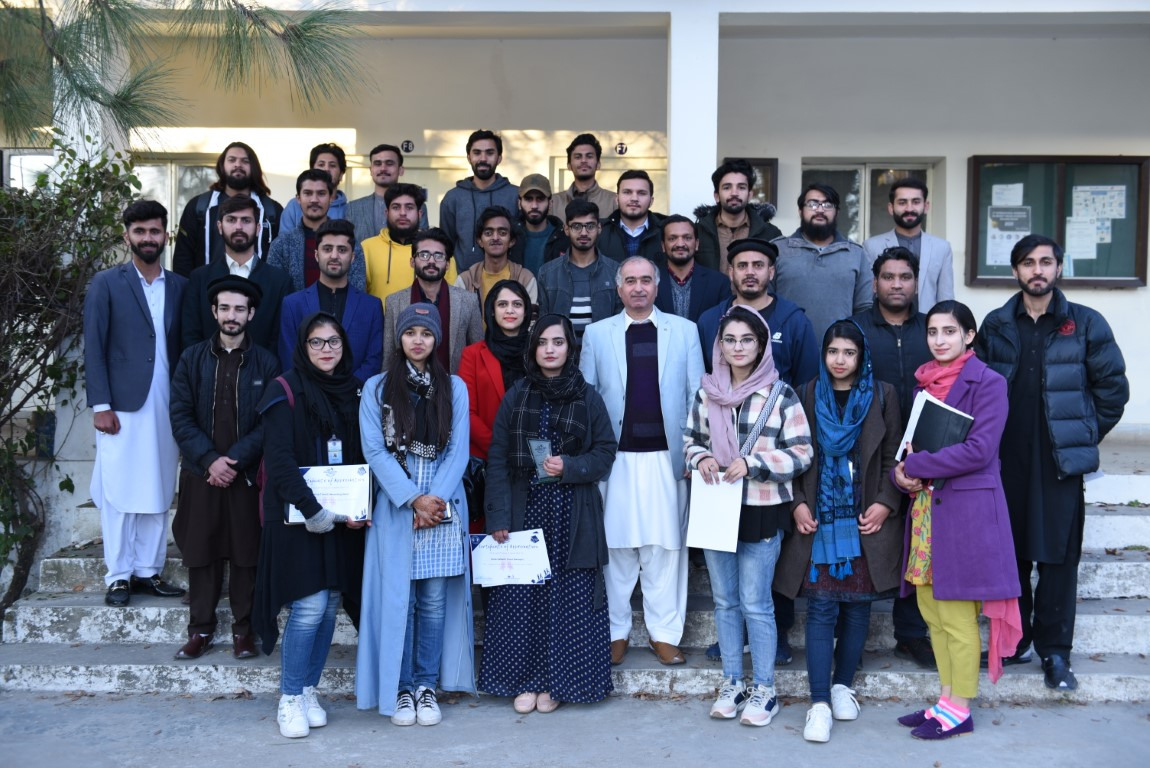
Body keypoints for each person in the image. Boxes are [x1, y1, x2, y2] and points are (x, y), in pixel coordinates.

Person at [976, 234, 1128, 690]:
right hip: (1005, 460)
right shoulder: (997, 324)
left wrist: (1081, 436)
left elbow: (1112, 390)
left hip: (1059, 463)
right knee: (1011, 555)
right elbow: (976, 387)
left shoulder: (1085, 323)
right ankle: (1015, 641)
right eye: (1028, 263)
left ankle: (1056, 652)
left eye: (1045, 262)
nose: (1037, 270)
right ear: (1015, 271)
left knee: (1059, 559)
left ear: (1059, 268)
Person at [892, 301, 1022, 740]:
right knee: (932, 614)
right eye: (933, 332)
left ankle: (961, 708)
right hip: (926, 511)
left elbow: (980, 450)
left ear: (969, 336)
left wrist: (918, 465)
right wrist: (900, 474)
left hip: (966, 514)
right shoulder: (924, 385)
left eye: (949, 331)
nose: (939, 339)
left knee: (957, 616)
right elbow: (910, 448)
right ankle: (945, 700)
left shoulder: (989, 383)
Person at [479, 314, 619, 713]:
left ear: (570, 348)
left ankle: (560, 684)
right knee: (523, 600)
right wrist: (498, 517)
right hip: (526, 512)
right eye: (542, 343)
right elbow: (498, 458)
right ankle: (527, 681)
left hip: (572, 515)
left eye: (558, 342)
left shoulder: (587, 397)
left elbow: (605, 452)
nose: (550, 350)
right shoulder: (518, 394)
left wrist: (570, 467)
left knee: (570, 601)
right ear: (532, 349)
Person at [774, 320, 902, 743]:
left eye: (849, 352)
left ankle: (843, 685)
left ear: (861, 356)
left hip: (865, 519)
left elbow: (893, 456)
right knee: (822, 608)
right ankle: (819, 703)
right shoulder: (806, 393)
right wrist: (797, 503)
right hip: (819, 520)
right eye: (833, 352)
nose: (840, 360)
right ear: (823, 355)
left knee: (858, 606)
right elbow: (789, 453)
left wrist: (886, 502)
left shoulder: (883, 395)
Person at [684, 306, 812, 727]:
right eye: (730, 340)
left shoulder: (780, 394)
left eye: (747, 340)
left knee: (756, 603)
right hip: (716, 507)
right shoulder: (707, 393)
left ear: (761, 346)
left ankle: (765, 688)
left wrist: (754, 463)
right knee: (725, 601)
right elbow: (690, 439)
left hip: (761, 507)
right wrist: (700, 457)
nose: (738, 348)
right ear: (719, 346)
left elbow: (802, 452)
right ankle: (732, 682)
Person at [580, 256, 704, 668]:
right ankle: (614, 632)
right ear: (618, 288)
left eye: (645, 280)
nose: (638, 287)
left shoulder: (684, 331)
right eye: (630, 280)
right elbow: (587, 398)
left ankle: (664, 634)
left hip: (668, 457)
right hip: (614, 458)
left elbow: (696, 396)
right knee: (614, 547)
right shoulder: (597, 334)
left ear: (657, 286)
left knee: (665, 548)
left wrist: (694, 450)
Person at [356, 303, 476, 727]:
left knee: (434, 601)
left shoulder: (453, 387)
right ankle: (402, 688)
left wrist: (433, 501)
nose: (418, 340)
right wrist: (412, 500)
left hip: (442, 508)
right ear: (399, 338)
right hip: (398, 507)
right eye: (411, 333)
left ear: (437, 339)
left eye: (426, 333)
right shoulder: (377, 388)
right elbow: (374, 450)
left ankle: (427, 685)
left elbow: (458, 450)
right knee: (400, 601)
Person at [253, 313, 367, 739]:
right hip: (297, 517)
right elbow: (279, 460)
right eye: (316, 342)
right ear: (303, 347)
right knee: (310, 606)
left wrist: (359, 508)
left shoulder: (355, 390)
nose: (326, 350)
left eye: (333, 341)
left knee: (332, 602)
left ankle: (306, 690)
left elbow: (362, 455)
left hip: (340, 518)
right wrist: (312, 509)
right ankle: (288, 697)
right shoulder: (283, 389)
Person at [84, 199, 187, 608]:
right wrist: (100, 405)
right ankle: (118, 575)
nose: (148, 238)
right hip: (122, 406)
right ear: (127, 236)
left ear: (166, 236)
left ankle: (147, 570)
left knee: (158, 487)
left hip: (167, 403)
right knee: (120, 489)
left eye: (154, 231)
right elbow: (94, 345)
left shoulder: (179, 286)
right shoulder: (107, 283)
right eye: (140, 231)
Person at [169, 276, 279, 661]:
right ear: (214, 312)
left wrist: (234, 460)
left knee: (247, 554)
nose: (232, 316)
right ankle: (200, 630)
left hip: (245, 475)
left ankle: (244, 632)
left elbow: (269, 421)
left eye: (239, 309)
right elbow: (180, 415)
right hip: (202, 473)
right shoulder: (192, 358)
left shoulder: (266, 362)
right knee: (202, 552)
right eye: (225, 308)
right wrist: (209, 460)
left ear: (251, 313)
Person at [851, 246, 937, 669]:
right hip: (869, 453)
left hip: (927, 455)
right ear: (875, 283)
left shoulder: (932, 330)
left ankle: (911, 634)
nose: (897, 284)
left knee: (917, 544)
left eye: (905, 277)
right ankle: (852, 637)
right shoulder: (856, 330)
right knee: (866, 538)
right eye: (888, 277)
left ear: (916, 283)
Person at [458, 280, 533, 533]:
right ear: (491, 310)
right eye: (502, 304)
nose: (510, 310)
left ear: (527, 311)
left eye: (517, 304)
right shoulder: (472, 354)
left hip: (533, 462)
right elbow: (467, 413)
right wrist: (502, 451)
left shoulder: (539, 352)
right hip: (487, 462)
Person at [181, 194, 292, 352]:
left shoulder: (279, 282)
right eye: (231, 220)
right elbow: (190, 337)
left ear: (258, 228)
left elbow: (280, 340)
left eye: (246, 220)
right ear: (220, 227)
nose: (239, 227)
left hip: (264, 367)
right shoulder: (199, 279)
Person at [279, 219, 383, 385]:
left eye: (342, 250)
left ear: (352, 257)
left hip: (354, 396)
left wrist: (346, 391)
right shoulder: (292, 304)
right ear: (316, 255)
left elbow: (374, 359)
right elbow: (289, 358)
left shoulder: (372, 306)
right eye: (327, 249)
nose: (334, 256)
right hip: (306, 396)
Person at [772, 183, 872, 341]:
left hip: (839, 350)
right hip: (787, 347)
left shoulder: (856, 254)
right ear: (800, 211)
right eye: (812, 204)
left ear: (837, 212)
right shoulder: (777, 250)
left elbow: (864, 310)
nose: (820, 210)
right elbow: (764, 302)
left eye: (827, 205)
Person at [173, 141, 282, 277]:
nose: (238, 164)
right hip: (207, 288)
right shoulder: (199, 207)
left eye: (245, 161)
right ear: (222, 166)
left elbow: (282, 259)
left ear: (253, 167)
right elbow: (183, 257)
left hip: (260, 288)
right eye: (232, 160)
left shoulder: (271, 211)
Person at [381, 227, 482, 374]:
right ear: (412, 262)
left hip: (453, 383)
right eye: (424, 255)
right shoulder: (394, 302)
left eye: (439, 256)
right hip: (406, 384)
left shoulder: (468, 301)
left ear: (448, 264)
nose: (431, 261)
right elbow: (389, 355)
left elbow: (478, 352)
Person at [267, 169, 367, 292]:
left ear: (331, 198)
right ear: (298, 198)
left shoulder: (350, 244)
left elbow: (357, 292)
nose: (314, 199)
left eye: (321, 193)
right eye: (308, 193)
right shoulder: (281, 245)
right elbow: (275, 292)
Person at [536, 200, 622, 343]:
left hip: (603, 351)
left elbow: (620, 323)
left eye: (590, 226)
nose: (584, 232)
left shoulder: (615, 272)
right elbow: (542, 323)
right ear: (566, 229)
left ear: (599, 228)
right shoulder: (548, 273)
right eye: (576, 226)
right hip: (561, 353)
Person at [862, 178, 954, 312]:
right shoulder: (871, 246)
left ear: (926, 206)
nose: (909, 208)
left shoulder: (942, 248)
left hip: (927, 323)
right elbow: (867, 297)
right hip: (883, 323)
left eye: (916, 202)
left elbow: (946, 299)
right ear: (891, 208)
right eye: (902, 202)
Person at [440, 129, 520, 270]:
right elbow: (445, 245)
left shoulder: (516, 195)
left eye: (489, 153)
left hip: (509, 278)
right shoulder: (452, 198)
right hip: (463, 279)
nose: (483, 158)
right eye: (477, 153)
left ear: (499, 158)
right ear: (469, 157)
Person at [364, 183, 457, 302]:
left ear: (419, 214)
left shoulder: (439, 252)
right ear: (387, 213)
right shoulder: (366, 248)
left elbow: (452, 298)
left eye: (409, 207)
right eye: (396, 207)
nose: (403, 213)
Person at [694, 158, 783, 273]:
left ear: (750, 195)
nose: (734, 193)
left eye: (741, 187)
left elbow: (777, 273)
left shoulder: (771, 234)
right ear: (717, 196)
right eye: (727, 187)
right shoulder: (698, 232)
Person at [455, 205, 539, 311]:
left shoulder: (525, 279)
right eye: (488, 233)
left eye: (502, 233)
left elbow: (531, 319)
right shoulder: (465, 281)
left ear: (512, 241)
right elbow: (457, 319)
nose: (495, 238)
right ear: (479, 241)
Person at [347, 143, 430, 246]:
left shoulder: (418, 206)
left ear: (400, 170)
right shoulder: (353, 208)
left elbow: (421, 244)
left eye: (389, 163)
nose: (383, 168)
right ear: (371, 170)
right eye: (377, 163)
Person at [653, 214, 731, 323]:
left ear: (697, 244)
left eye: (687, 238)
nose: (680, 244)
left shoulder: (719, 282)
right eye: (672, 238)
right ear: (663, 246)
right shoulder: (651, 282)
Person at [595, 170, 664, 264]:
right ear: (617, 199)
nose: (634, 198)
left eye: (641, 193)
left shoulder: (665, 231)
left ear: (651, 201)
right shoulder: (598, 231)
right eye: (627, 192)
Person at [279, 143, 351, 233]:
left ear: (341, 174)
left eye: (332, 165)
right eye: (321, 164)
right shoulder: (294, 206)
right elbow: (284, 239)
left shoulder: (349, 210)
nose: (326, 169)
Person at [549, 133, 618, 218]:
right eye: (578, 157)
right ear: (569, 165)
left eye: (589, 156)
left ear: (598, 164)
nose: (584, 160)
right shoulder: (553, 203)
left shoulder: (613, 201)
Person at [512, 173, 569, 275]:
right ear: (519, 204)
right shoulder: (510, 237)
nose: (534, 206)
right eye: (528, 199)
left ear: (550, 203)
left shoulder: (564, 238)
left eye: (540, 199)